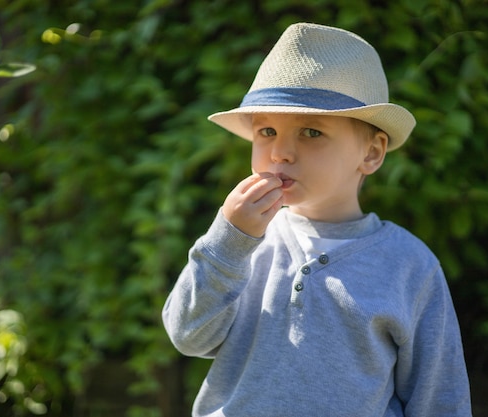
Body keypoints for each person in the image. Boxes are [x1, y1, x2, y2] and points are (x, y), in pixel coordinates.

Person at [162, 22, 472, 417]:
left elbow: (440, 398)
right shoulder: (240, 243)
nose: (281, 153)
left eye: (311, 131)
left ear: (372, 154)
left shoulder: (410, 265)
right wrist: (230, 240)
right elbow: (188, 336)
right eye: (267, 131)